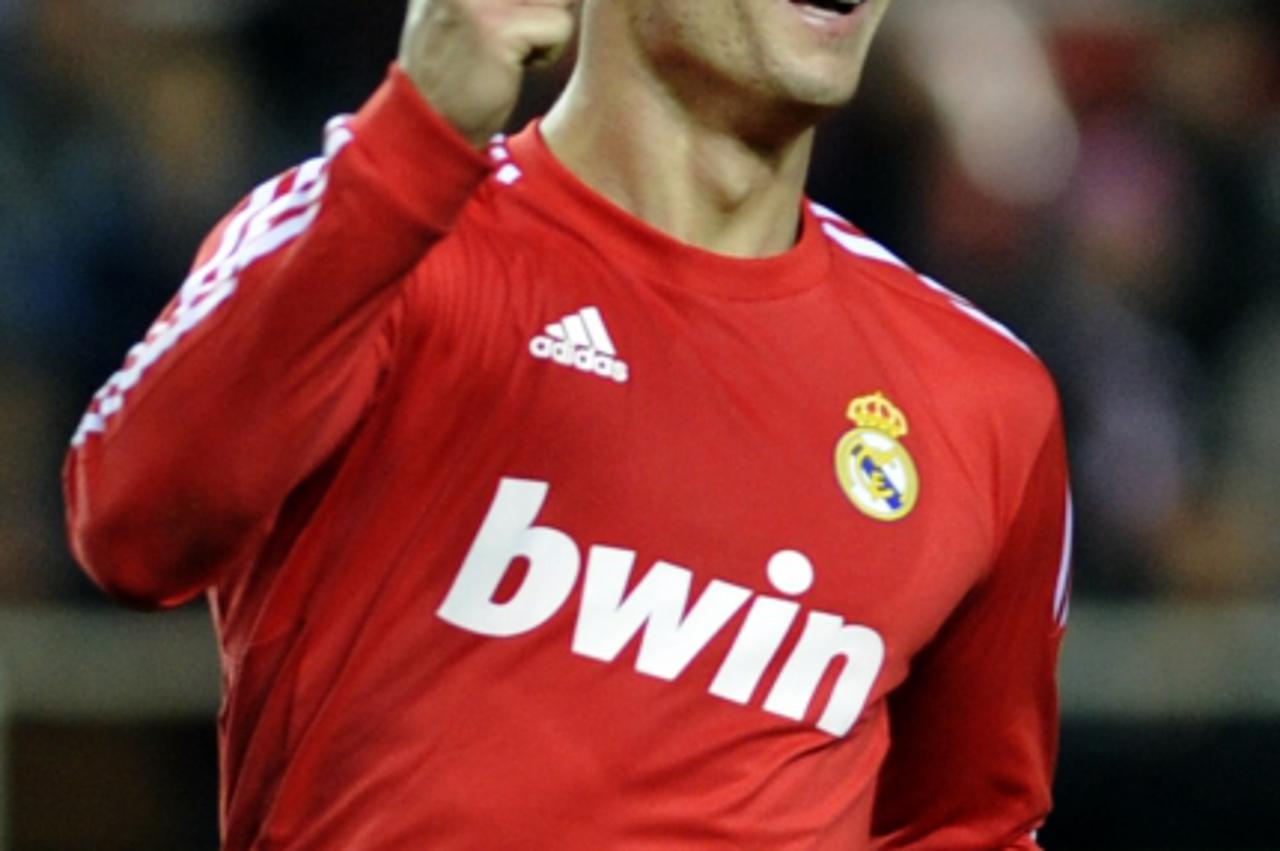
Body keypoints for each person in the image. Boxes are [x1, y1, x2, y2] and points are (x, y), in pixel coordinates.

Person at [64, 0, 1073, 847]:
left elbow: (968, 827)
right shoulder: (377, 242)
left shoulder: (980, 398)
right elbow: (131, 529)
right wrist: (416, 132)